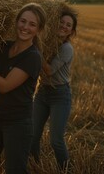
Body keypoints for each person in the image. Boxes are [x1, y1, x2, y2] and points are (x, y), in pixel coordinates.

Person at [0, 3, 46, 174]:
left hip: (17, 123)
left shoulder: (32, 57)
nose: (25, 27)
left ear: (39, 30)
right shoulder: (3, 47)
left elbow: (4, 86)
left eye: (32, 24)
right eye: (23, 21)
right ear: (16, 22)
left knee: (15, 170)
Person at [30, 11, 77, 170]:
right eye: (62, 22)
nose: (64, 26)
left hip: (60, 95)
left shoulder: (67, 48)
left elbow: (49, 70)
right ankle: (35, 165)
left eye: (68, 25)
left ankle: (65, 169)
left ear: (71, 31)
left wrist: (35, 47)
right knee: (33, 136)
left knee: (56, 139)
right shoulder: (47, 43)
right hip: (42, 92)